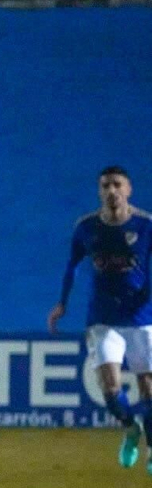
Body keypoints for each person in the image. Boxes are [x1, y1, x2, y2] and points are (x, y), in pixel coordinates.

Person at [49, 165, 152, 470]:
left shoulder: (146, 225)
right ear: (99, 191)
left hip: (141, 318)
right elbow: (72, 266)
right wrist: (62, 303)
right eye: (105, 185)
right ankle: (130, 428)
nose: (111, 191)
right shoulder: (86, 227)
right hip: (103, 319)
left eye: (117, 185)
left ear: (128, 189)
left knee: (148, 387)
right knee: (109, 389)